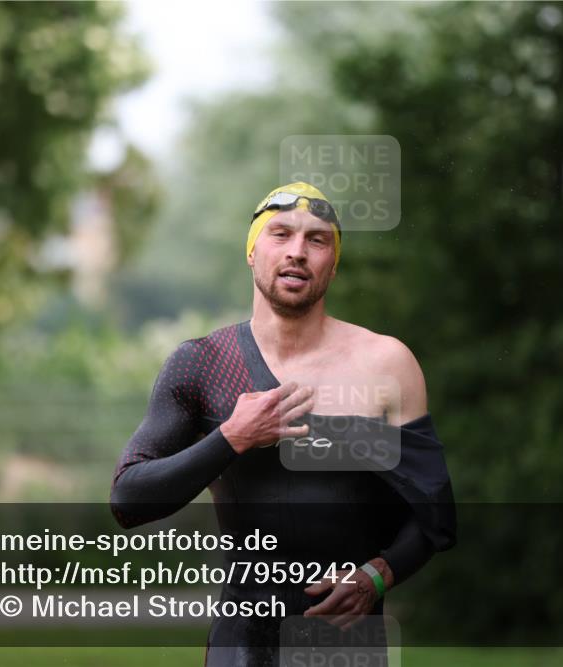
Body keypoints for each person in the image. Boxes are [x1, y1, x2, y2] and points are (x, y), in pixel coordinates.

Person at [111, 182, 456, 666]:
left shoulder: (386, 365)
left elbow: (435, 513)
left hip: (343, 641)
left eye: (317, 240)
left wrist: (379, 574)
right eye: (280, 234)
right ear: (252, 252)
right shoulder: (203, 363)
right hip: (241, 642)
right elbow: (128, 500)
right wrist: (233, 436)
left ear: (333, 264)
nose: (298, 252)